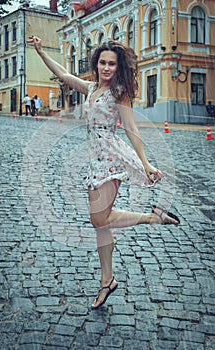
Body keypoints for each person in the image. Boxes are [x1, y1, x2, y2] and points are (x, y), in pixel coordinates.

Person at [27, 35, 180, 309]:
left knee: (100, 219)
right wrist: (40, 51)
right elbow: (62, 73)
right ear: (96, 64)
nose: (107, 67)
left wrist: (146, 164)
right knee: (101, 224)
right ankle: (107, 281)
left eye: (111, 64)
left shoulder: (118, 92)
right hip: (94, 160)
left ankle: (151, 217)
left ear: (117, 66)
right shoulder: (91, 88)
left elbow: (131, 128)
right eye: (102, 63)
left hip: (111, 159)